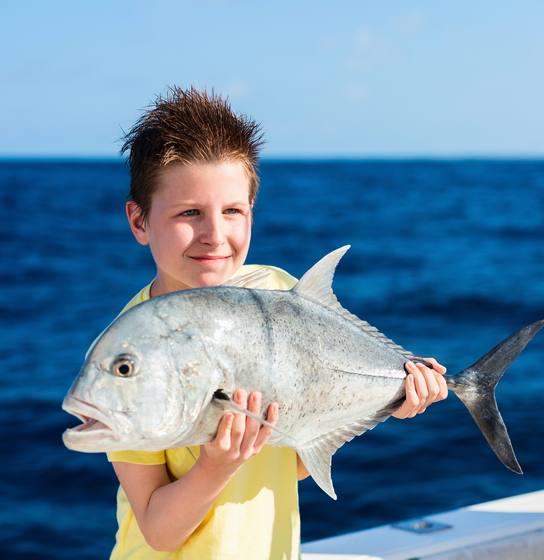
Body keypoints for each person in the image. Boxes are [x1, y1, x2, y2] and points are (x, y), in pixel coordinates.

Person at [106, 87, 448, 559]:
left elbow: (288, 464)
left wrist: (390, 401)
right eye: (189, 213)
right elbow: (159, 532)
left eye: (232, 211)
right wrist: (216, 466)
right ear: (139, 221)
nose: (215, 234)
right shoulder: (133, 350)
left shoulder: (276, 291)